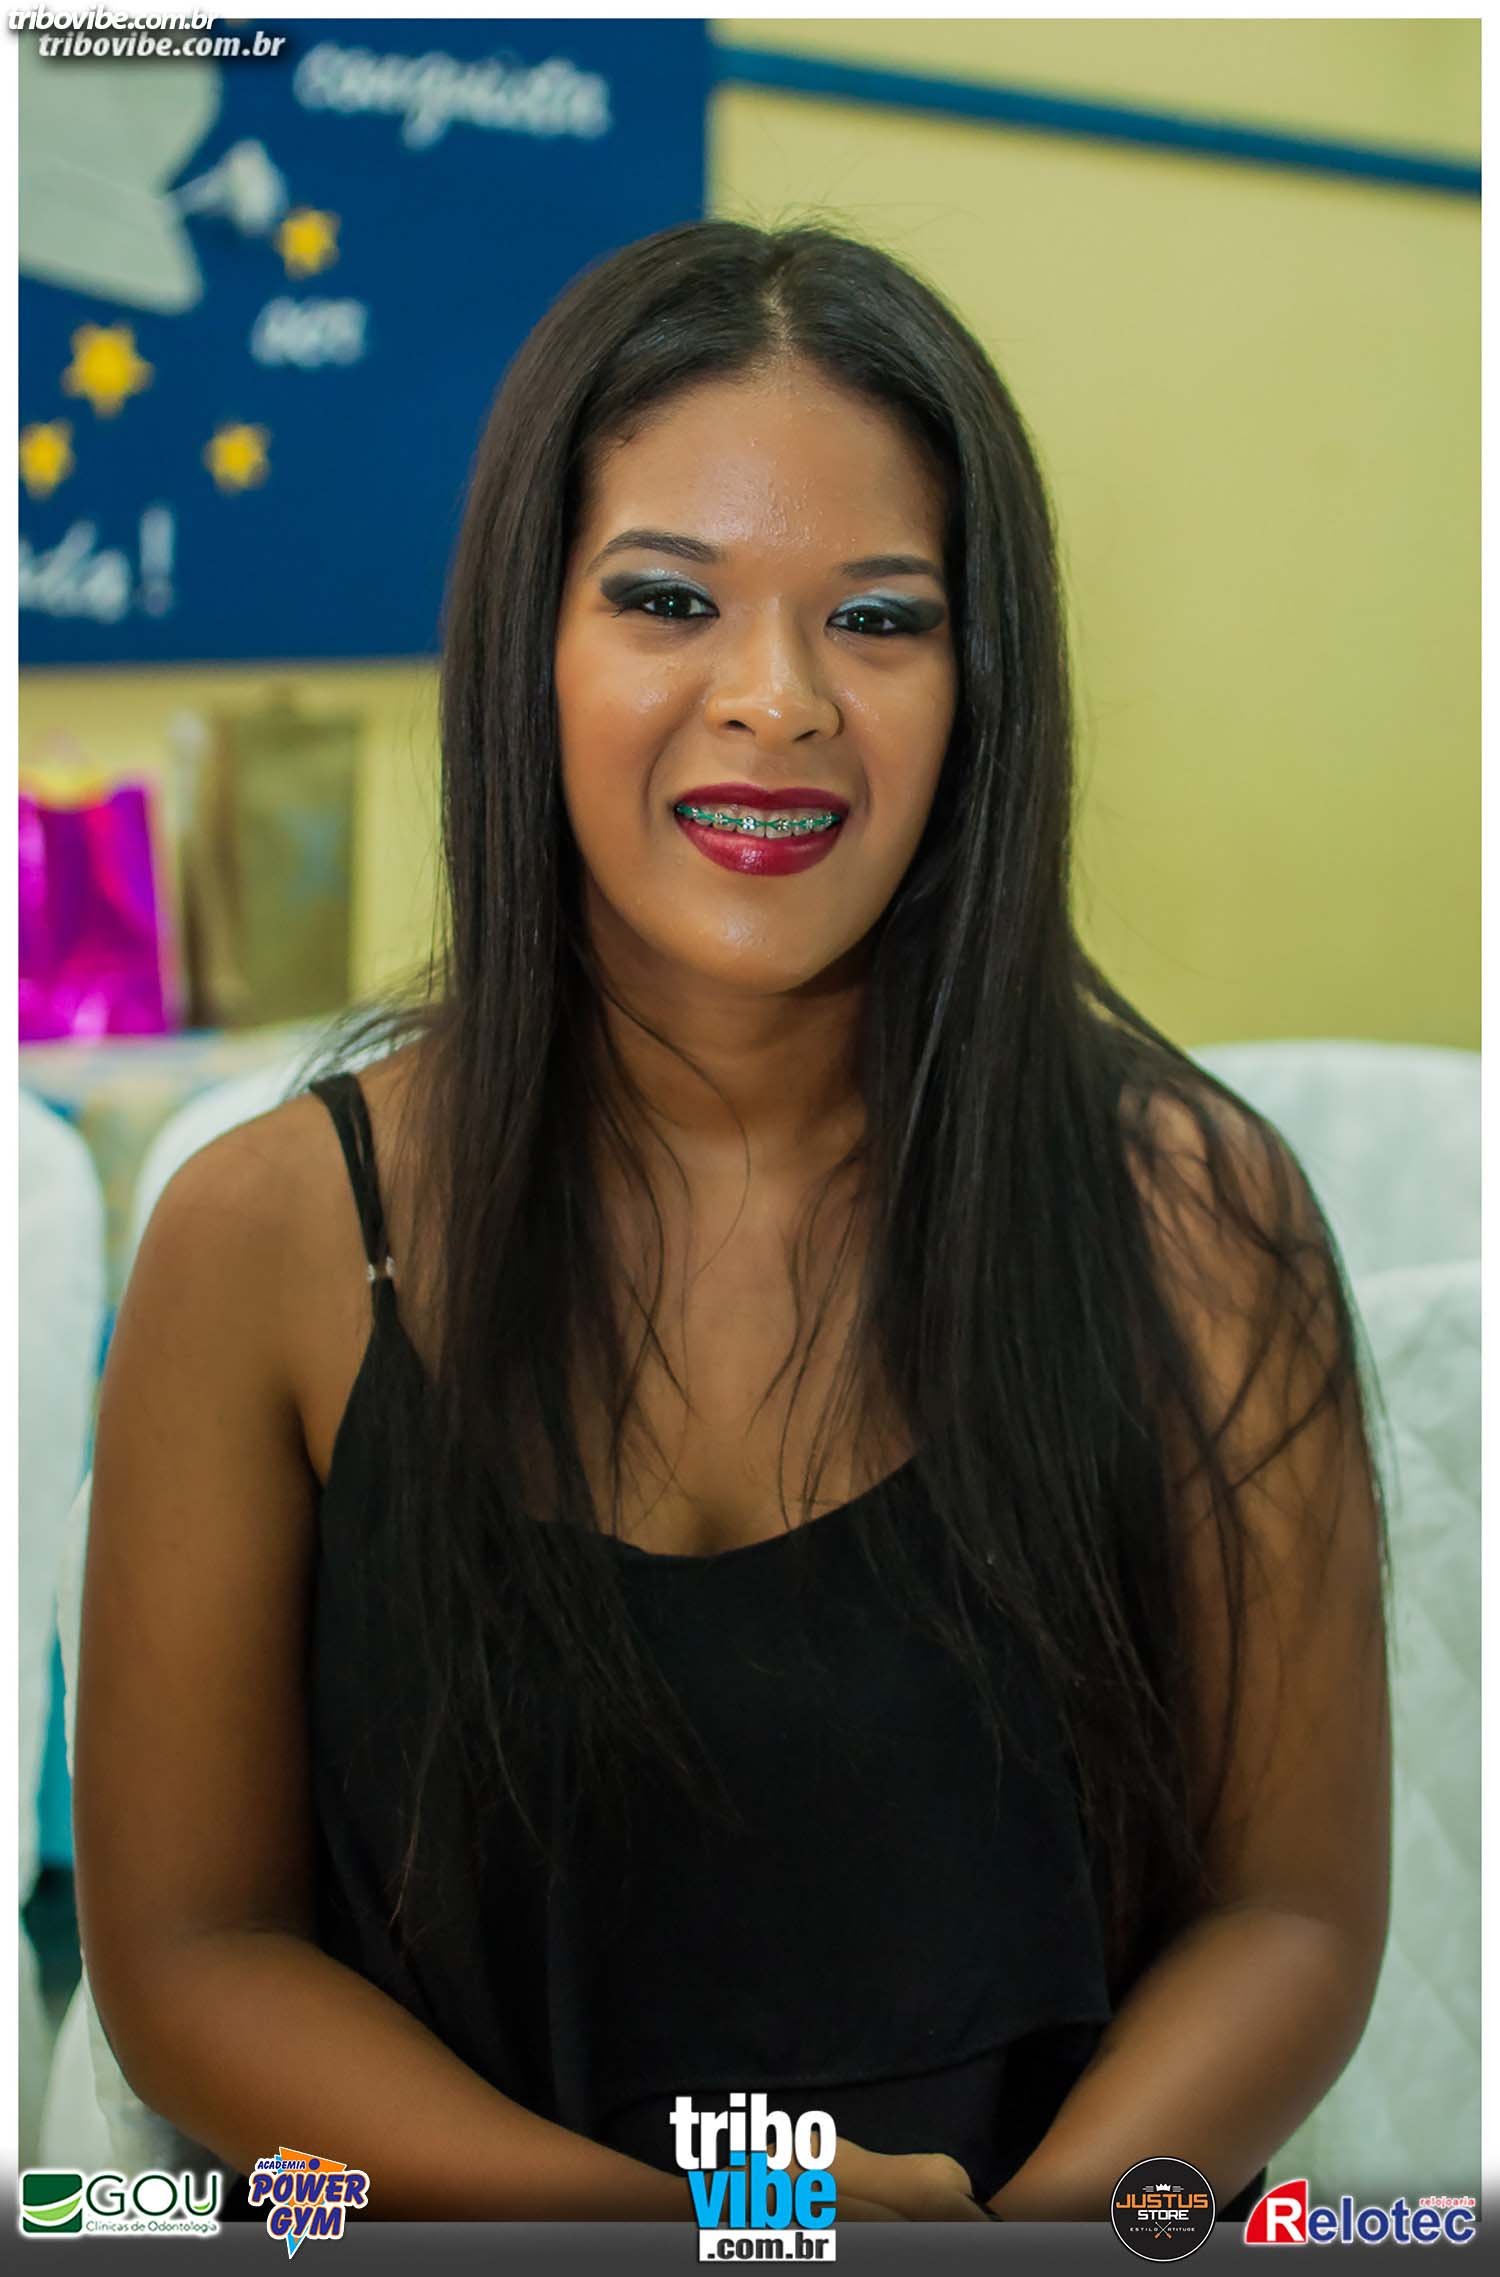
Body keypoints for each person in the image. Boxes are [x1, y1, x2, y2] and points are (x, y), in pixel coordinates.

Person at [74, 221, 1391, 2226]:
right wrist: (676, 2238)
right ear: (529, 644)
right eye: (669, 598)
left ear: (981, 683)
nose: (776, 700)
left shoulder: (1203, 1220)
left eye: (879, 619)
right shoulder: (265, 1237)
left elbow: (1291, 1910)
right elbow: (191, 1959)